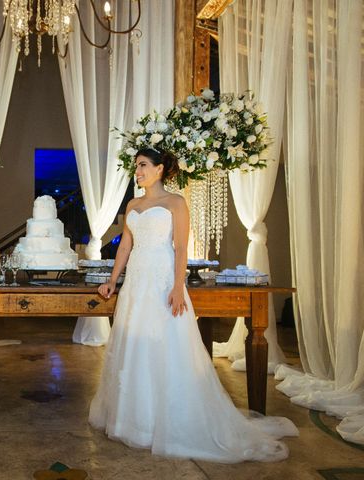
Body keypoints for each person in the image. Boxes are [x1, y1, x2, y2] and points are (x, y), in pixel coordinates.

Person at [90, 148, 298, 462]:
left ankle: (169, 421)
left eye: (144, 165)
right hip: (136, 284)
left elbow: (181, 247)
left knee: (166, 348)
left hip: (162, 282)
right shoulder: (133, 204)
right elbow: (125, 248)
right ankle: (135, 421)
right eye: (136, 166)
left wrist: (177, 287)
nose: (139, 171)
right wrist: (112, 280)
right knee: (134, 346)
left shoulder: (175, 203)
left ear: (160, 169)